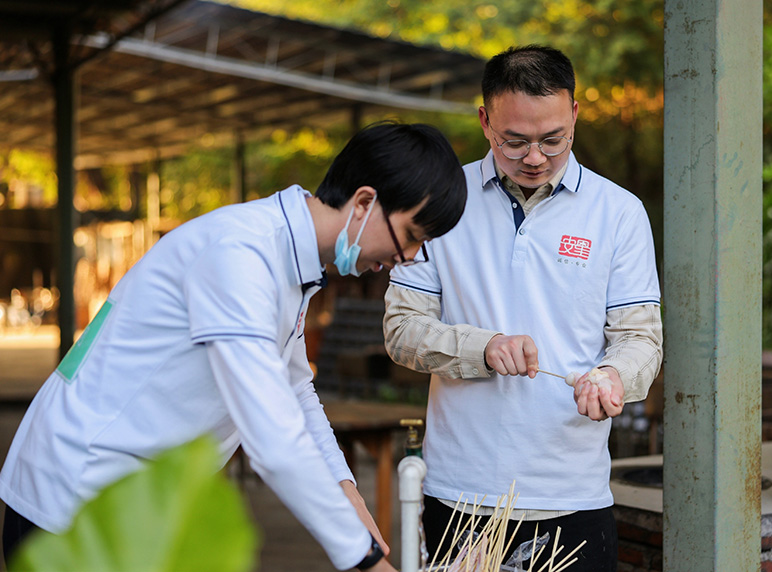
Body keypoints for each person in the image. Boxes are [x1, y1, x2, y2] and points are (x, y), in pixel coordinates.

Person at [0, 121, 467, 572]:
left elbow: (297, 393)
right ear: (365, 202)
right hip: (75, 497)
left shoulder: (293, 264)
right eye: (411, 236)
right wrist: (363, 559)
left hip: (136, 501)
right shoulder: (240, 255)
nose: (406, 258)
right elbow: (272, 436)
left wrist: (347, 494)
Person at [383, 46, 663, 572]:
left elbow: (641, 339)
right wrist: (482, 348)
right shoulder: (441, 200)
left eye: (552, 139)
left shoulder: (619, 213)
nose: (535, 156)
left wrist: (613, 377)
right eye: (515, 141)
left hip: (573, 497)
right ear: (486, 121)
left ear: (575, 115)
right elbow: (402, 329)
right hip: (462, 496)